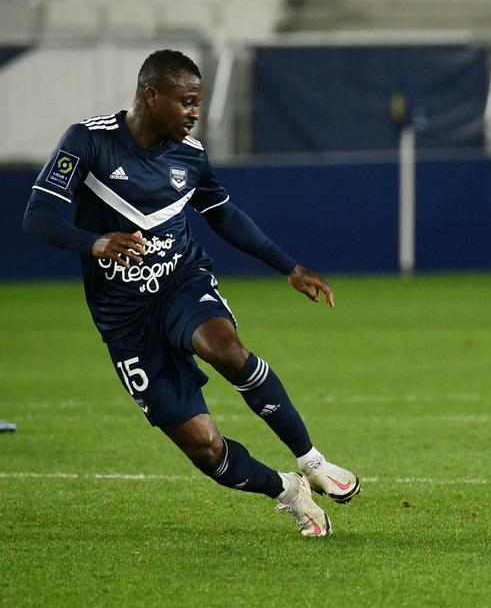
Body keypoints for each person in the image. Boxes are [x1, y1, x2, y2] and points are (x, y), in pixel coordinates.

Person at [22, 50, 360, 537]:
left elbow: (223, 215)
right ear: (151, 96)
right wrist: (94, 242)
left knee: (225, 349)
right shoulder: (89, 141)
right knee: (205, 448)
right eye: (186, 102)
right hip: (124, 321)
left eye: (198, 103)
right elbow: (38, 215)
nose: (194, 113)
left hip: (181, 282)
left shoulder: (191, 156)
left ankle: (312, 461)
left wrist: (289, 267)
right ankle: (288, 490)